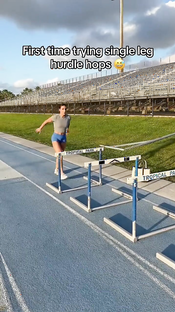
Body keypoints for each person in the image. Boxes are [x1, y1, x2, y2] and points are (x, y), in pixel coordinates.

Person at [35, 104, 71, 180]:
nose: (64, 110)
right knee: (60, 154)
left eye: (65, 109)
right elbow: (46, 121)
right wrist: (40, 128)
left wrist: (67, 130)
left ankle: (56, 169)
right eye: (63, 109)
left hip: (63, 137)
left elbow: (67, 125)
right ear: (59, 110)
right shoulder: (56, 117)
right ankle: (62, 173)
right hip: (56, 137)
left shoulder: (68, 118)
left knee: (60, 155)